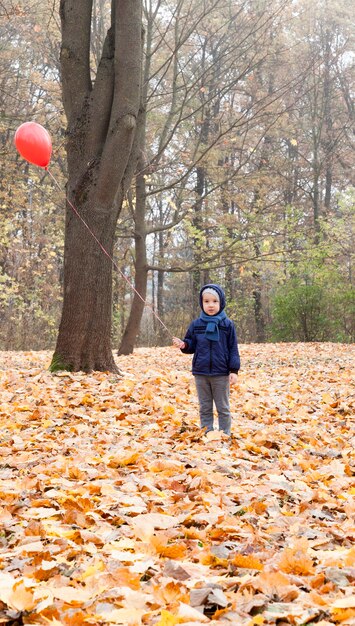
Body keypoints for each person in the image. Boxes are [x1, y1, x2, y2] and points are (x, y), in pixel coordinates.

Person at [173, 284, 240, 436]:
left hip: (221, 373)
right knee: (205, 406)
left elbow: (233, 349)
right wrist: (183, 344)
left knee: (223, 407)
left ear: (221, 303)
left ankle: (224, 434)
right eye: (207, 301)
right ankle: (207, 432)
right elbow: (190, 345)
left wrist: (234, 370)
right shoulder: (196, 324)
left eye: (215, 301)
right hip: (201, 373)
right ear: (202, 303)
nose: (210, 305)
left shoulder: (227, 325)